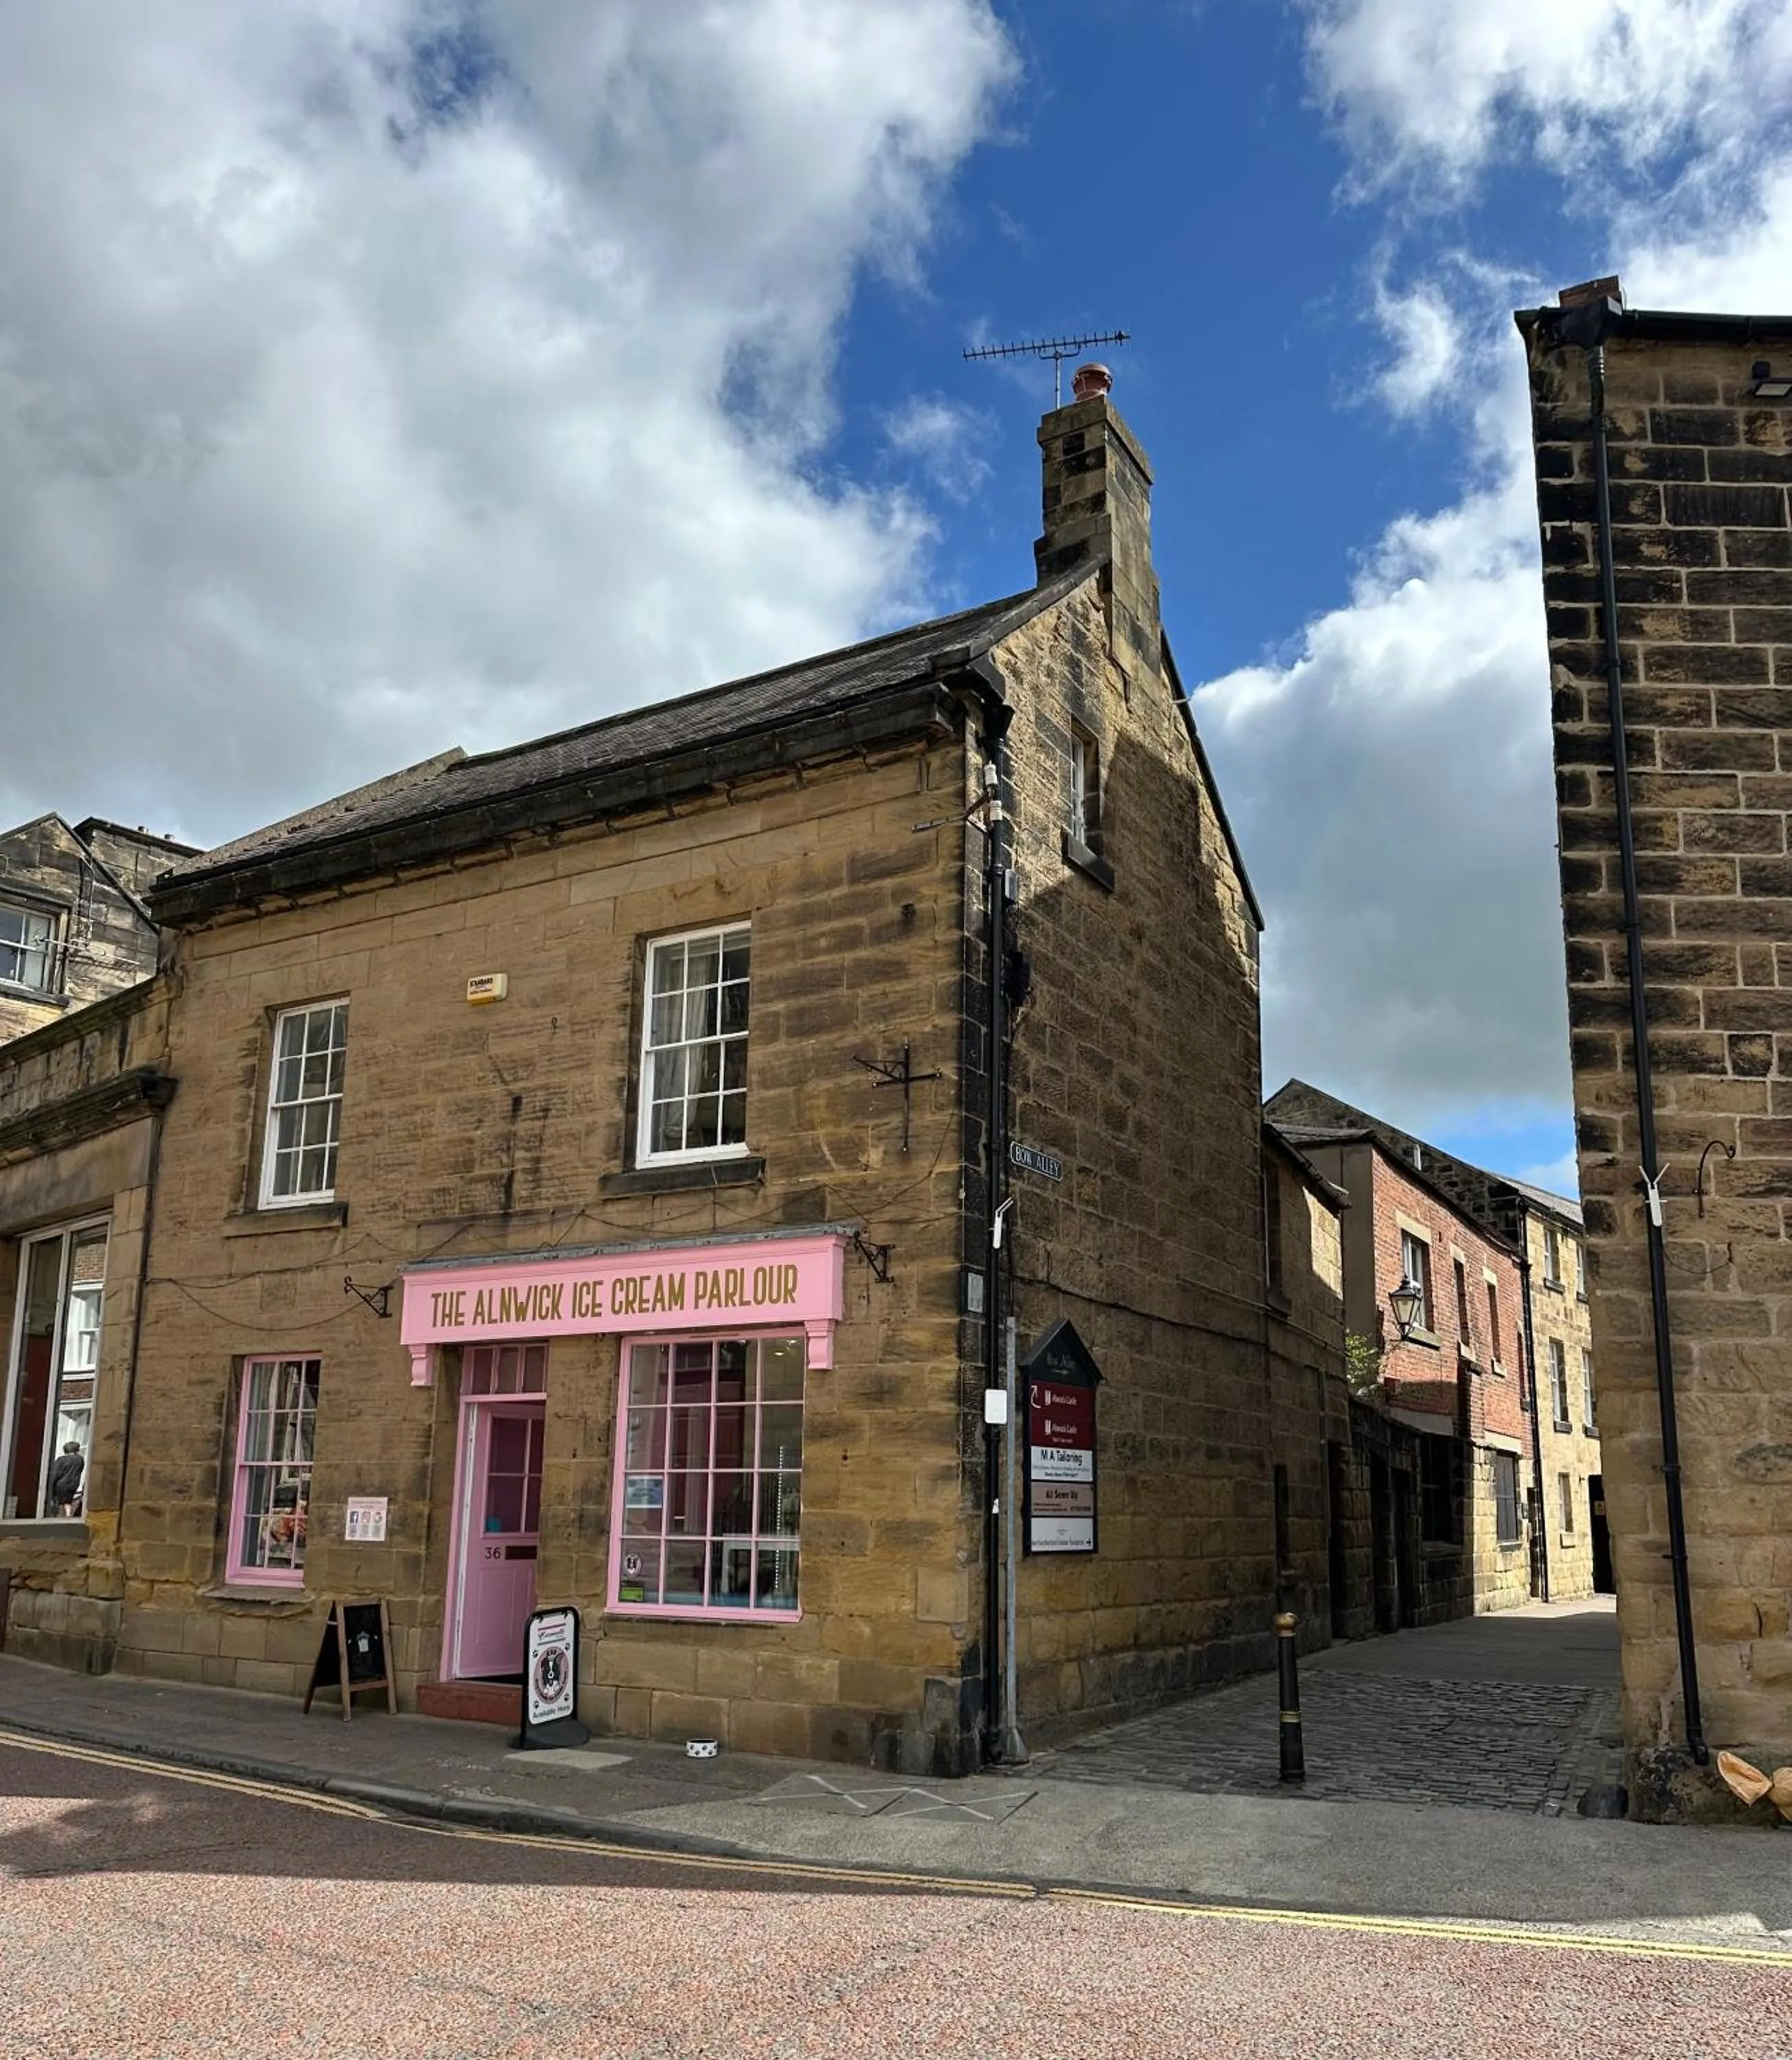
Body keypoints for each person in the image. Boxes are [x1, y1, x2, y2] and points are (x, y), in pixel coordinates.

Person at [47, 1440, 84, 1516]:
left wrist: (51, 1485)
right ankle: (68, 1516)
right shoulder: (80, 1460)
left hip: (62, 1484)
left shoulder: (62, 1460)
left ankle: (62, 1518)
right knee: (68, 1502)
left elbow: (56, 1473)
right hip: (74, 1484)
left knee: (61, 1503)